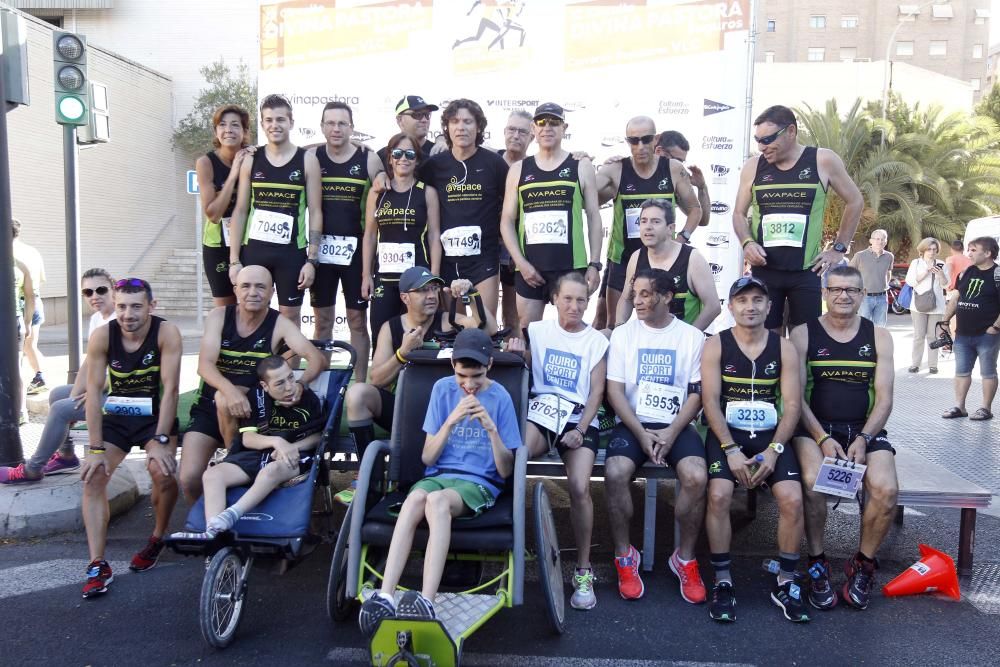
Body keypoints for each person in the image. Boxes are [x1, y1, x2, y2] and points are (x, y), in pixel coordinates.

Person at [357, 328, 521, 635]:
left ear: (489, 367)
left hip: (480, 482)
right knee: (415, 499)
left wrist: (491, 430)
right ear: (453, 368)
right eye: (462, 376)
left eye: (477, 377)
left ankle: (427, 600)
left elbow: (506, 470)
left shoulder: (500, 398)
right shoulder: (443, 390)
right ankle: (386, 594)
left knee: (436, 500)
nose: (469, 385)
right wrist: (449, 421)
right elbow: (428, 459)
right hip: (439, 475)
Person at [790, 265, 897, 611]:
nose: (843, 296)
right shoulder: (802, 334)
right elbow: (795, 399)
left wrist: (865, 438)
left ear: (863, 295)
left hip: (864, 430)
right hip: (815, 429)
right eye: (836, 289)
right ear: (824, 293)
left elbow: (884, 399)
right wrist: (821, 438)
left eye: (851, 290)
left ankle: (862, 565)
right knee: (812, 480)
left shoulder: (879, 336)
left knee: (886, 489)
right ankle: (818, 561)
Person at [701, 276, 808, 623]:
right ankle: (723, 580)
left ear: (769, 306)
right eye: (743, 300)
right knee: (718, 495)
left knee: (792, 498)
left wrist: (775, 449)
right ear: (731, 307)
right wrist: (730, 449)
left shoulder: (784, 347)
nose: (751, 306)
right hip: (727, 436)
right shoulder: (717, 344)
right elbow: (710, 401)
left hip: (769, 437)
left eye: (758, 300)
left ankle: (786, 580)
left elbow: (792, 404)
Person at [604, 268, 708, 604]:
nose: (638, 301)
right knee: (615, 471)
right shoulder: (623, 334)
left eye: (646, 294)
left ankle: (685, 558)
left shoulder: (691, 336)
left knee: (695, 476)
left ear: (667, 297)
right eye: (636, 294)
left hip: (676, 425)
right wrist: (641, 432)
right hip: (634, 423)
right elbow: (615, 392)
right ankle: (625, 556)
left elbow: (697, 393)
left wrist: (671, 431)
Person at [180, 265, 326, 503]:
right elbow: (204, 365)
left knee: (226, 402)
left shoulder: (279, 323)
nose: (253, 292)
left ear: (271, 292)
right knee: (189, 479)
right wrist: (229, 391)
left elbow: (316, 359)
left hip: (256, 414)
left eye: (261, 286)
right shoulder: (219, 316)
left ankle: (233, 461)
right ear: (236, 290)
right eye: (246, 286)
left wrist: (301, 383)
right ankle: (208, 526)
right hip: (210, 407)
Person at [79, 278, 182, 598]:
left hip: (154, 418)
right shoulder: (102, 336)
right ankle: (97, 564)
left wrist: (163, 440)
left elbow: (172, 390)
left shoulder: (166, 333)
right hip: (118, 418)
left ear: (152, 306)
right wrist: (95, 449)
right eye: (121, 306)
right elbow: (93, 393)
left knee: (162, 472)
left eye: (136, 306)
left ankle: (157, 537)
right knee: (94, 477)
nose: (127, 314)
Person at [346, 266, 497, 466]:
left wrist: (471, 294)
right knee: (357, 394)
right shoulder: (391, 328)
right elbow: (376, 380)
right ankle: (369, 474)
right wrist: (402, 353)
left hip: (446, 412)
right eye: (423, 290)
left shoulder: (448, 321)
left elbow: (489, 331)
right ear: (405, 297)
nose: (432, 295)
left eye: (434, 288)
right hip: (405, 410)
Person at [733, 105, 864, 332]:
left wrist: (839, 248)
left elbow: (855, 201)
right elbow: (738, 214)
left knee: (803, 343)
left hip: (806, 272)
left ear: (791, 131)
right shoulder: (753, 166)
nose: (762, 146)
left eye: (768, 139)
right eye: (758, 140)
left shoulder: (822, 160)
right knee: (766, 342)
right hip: (765, 271)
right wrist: (747, 242)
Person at [521, 272, 608, 609]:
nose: (574, 306)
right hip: (543, 413)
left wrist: (581, 430)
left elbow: (596, 393)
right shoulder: (538, 331)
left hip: (578, 419)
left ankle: (583, 569)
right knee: (515, 457)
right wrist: (518, 351)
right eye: (568, 299)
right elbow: (524, 368)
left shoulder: (596, 341)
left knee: (580, 486)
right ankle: (510, 539)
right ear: (554, 299)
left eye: (581, 300)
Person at [174, 356, 325, 540]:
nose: (289, 387)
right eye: (279, 383)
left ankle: (231, 515)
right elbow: (248, 438)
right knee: (212, 475)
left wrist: (291, 446)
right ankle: (212, 534)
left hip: (293, 457)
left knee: (271, 471)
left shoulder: (308, 399)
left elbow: (319, 437)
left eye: (291, 378)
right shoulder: (257, 397)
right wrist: (277, 442)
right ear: (265, 386)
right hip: (256, 455)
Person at [0, 269, 118, 483]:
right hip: (103, 387)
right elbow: (90, 362)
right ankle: (66, 455)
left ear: (114, 290)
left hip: (123, 394)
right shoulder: (97, 319)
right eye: (88, 292)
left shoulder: (121, 319)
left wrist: (93, 390)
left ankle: (32, 469)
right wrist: (76, 394)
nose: (94, 296)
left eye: (101, 290)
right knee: (58, 395)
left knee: (60, 409)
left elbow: (126, 369)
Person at [499, 102, 603, 331]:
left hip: (570, 267)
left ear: (564, 128)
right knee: (527, 332)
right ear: (534, 129)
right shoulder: (518, 169)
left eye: (554, 122)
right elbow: (506, 220)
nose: (547, 127)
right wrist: (521, 263)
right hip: (530, 269)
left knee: (571, 330)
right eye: (541, 122)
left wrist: (594, 264)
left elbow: (594, 216)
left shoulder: (580, 165)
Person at [596, 118, 703, 328]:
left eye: (646, 140)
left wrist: (683, 238)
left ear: (655, 140)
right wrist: (579, 162)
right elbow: (585, 194)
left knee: (663, 320)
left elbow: (695, 209)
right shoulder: (617, 169)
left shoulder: (672, 169)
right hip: (624, 258)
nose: (640, 146)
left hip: (662, 259)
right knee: (615, 325)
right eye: (633, 141)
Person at [228, 94, 323, 326]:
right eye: (268, 120)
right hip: (255, 251)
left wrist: (312, 260)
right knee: (251, 313)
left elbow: (316, 212)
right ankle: (259, 363)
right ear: (262, 124)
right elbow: (240, 211)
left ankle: (287, 364)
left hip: (291, 254)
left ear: (291, 122)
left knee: (290, 317)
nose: (274, 125)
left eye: (280, 119)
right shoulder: (252, 159)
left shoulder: (307, 160)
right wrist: (233, 260)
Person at [311, 101, 384, 382]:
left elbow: (384, 185)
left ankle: (359, 384)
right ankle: (323, 386)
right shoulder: (313, 156)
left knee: (356, 321)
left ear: (352, 128)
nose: (336, 129)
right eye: (330, 123)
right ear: (322, 127)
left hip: (356, 254)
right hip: (321, 254)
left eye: (342, 123)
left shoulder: (368, 159)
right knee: (323, 323)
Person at [418, 99, 509, 315]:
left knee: (485, 325)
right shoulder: (434, 165)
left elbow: (511, 207)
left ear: (478, 127)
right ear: (447, 128)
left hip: (484, 258)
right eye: (455, 121)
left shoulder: (494, 163)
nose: (461, 127)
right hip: (447, 260)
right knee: (451, 327)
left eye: (468, 121)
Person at [362, 133, 441, 350]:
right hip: (385, 278)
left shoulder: (427, 192)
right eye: (397, 153)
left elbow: (434, 236)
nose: (403, 159)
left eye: (409, 154)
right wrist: (366, 275)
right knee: (380, 334)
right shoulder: (377, 193)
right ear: (389, 158)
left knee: (420, 336)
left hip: (418, 281)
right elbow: (369, 236)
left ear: (417, 159)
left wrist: (433, 278)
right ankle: (382, 383)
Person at [615, 199, 721, 331]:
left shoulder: (692, 258)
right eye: (643, 221)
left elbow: (713, 306)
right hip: (647, 342)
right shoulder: (636, 257)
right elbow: (626, 299)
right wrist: (619, 328)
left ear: (671, 228)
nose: (648, 226)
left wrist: (690, 337)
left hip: (681, 343)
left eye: (655, 221)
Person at [195, 104, 252, 308]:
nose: (228, 129)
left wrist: (344, 144)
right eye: (222, 125)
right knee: (225, 310)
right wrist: (234, 173)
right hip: (217, 245)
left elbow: (292, 153)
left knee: (251, 305)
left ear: (245, 132)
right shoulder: (206, 163)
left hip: (248, 244)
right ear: (216, 131)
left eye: (235, 125)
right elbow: (213, 214)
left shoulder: (253, 156)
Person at [941, 236, 1000, 421]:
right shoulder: (967, 271)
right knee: (961, 371)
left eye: (974, 250)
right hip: (963, 333)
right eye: (969, 249)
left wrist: (995, 328)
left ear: (988, 253)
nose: (969, 253)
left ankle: (985, 408)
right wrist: (944, 321)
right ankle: (959, 406)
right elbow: (956, 296)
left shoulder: (998, 274)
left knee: (988, 372)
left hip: (987, 334)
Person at [497, 110, 534, 331]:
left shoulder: (536, 166)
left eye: (523, 131)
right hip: (489, 246)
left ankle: (515, 361)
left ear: (532, 136)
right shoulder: (489, 160)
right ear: (504, 132)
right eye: (512, 129)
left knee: (514, 315)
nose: (516, 136)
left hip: (520, 247)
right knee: (483, 310)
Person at [655, 131, 712, 239]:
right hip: (626, 252)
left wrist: (701, 187)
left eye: (682, 162)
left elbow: (703, 220)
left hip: (663, 252)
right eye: (676, 160)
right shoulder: (629, 170)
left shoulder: (675, 180)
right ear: (659, 151)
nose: (680, 166)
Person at [12, 219, 47, 395]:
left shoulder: (8, 252)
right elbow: (40, 280)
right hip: (34, 299)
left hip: (18, 302)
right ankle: (39, 376)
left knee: (21, 349)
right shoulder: (32, 251)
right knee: (30, 344)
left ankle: (34, 380)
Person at [904, 238, 948, 374]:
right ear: (923, 250)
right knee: (919, 335)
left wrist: (940, 274)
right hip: (918, 305)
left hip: (937, 305)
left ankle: (933, 365)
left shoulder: (941, 264)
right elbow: (910, 282)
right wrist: (927, 271)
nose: (932, 252)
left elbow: (945, 285)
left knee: (933, 336)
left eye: (935, 249)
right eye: (929, 249)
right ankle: (915, 364)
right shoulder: (916, 263)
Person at [376, 95, 440, 169]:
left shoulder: (438, 152)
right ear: (400, 120)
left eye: (427, 115)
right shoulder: (382, 157)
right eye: (417, 115)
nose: (424, 120)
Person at [849, 229, 894, 327]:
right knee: (864, 327)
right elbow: (849, 273)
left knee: (880, 327)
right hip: (865, 298)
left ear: (886, 241)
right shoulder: (860, 256)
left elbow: (888, 272)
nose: (880, 241)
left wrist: (885, 285)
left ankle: (877, 343)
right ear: (871, 241)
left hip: (882, 297)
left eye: (883, 239)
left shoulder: (889, 256)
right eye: (877, 239)